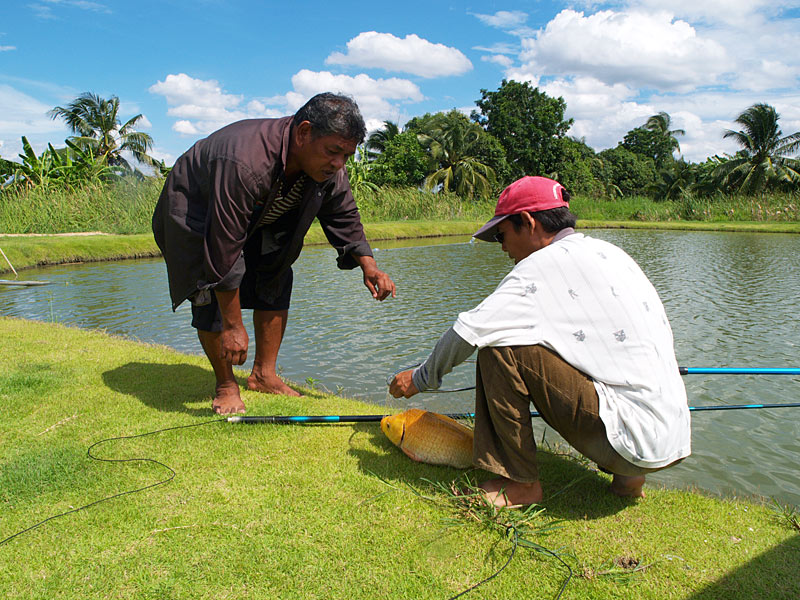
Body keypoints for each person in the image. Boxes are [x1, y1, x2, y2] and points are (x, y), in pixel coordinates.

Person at [389, 176, 690, 507]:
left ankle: (518, 484)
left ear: (529, 222)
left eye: (502, 235)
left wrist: (419, 378)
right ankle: (629, 481)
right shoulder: (609, 253)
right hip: (671, 439)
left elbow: (467, 331)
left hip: (627, 440)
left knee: (498, 346)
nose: (502, 247)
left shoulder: (540, 266)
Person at [153, 93, 395, 415]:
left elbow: (343, 214)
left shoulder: (328, 168)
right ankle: (225, 384)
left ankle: (264, 375)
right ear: (303, 132)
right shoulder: (244, 159)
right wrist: (234, 326)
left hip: (259, 215)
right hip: (196, 214)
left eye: (347, 156)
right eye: (333, 151)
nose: (339, 163)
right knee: (212, 289)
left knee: (276, 269)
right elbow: (224, 246)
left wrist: (369, 266)